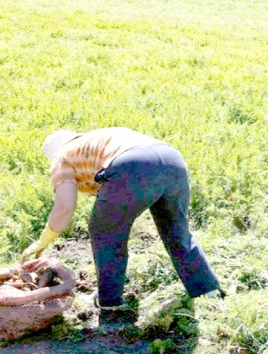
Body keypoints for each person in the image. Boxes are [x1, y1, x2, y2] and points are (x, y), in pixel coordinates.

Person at [20, 128, 222, 310]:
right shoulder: (94, 142)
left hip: (132, 164)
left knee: (105, 232)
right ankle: (207, 290)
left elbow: (64, 207)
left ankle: (109, 302)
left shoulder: (62, 157)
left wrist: (43, 241)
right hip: (172, 160)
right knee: (176, 230)